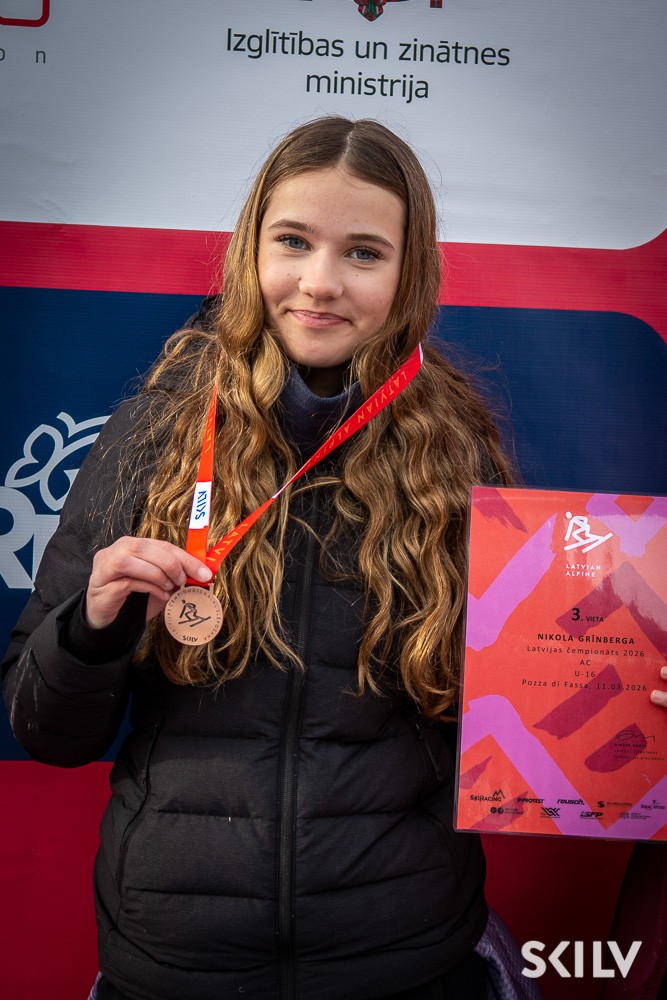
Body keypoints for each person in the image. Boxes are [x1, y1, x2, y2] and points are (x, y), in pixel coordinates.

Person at [2, 117, 664, 1000]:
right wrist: (90, 631)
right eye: (293, 242)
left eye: (362, 253)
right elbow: (45, 731)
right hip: (175, 966)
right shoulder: (154, 434)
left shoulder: (454, 450)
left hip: (405, 959)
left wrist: (629, 696)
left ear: (408, 272)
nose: (319, 282)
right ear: (250, 250)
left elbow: (514, 718)